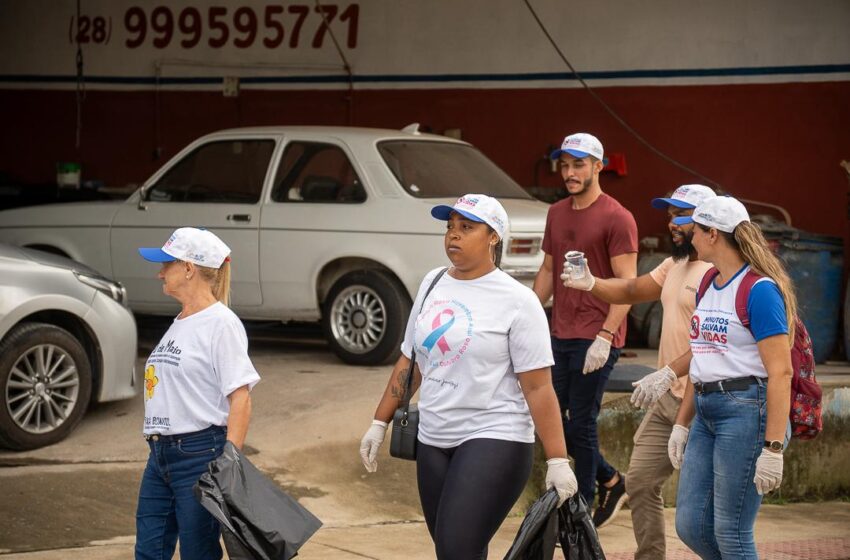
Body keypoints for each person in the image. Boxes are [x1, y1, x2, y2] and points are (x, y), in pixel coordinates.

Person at [359, 194, 578, 560]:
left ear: (493, 236)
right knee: (455, 550)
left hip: (495, 435)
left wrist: (558, 459)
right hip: (433, 436)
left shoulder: (518, 301)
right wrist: (378, 422)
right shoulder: (432, 283)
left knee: (456, 549)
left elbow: (538, 388)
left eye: (466, 227)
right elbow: (410, 361)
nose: (453, 236)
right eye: (449, 227)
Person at [562, 184, 715, 553]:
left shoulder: (717, 274)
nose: (671, 223)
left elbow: (711, 345)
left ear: (706, 220)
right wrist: (592, 283)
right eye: (669, 215)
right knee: (642, 483)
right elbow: (631, 289)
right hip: (667, 401)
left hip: (706, 405)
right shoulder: (673, 265)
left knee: (706, 510)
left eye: (680, 215)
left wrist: (670, 373)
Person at [667, 196, 794, 559]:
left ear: (712, 235)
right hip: (707, 409)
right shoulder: (709, 280)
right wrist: (682, 423)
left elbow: (780, 371)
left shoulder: (759, 290)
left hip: (746, 410)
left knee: (731, 531)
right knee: (690, 525)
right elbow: (704, 358)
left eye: (695, 230)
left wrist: (772, 448)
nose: (688, 237)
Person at [134, 227, 260, 560]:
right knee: (148, 551)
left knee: (198, 553)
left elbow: (241, 397)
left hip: (199, 454)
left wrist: (228, 461)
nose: (160, 271)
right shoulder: (181, 321)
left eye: (167, 264)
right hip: (160, 454)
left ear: (189, 268)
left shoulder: (222, 323)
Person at [532, 133, 638, 528]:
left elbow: (628, 285)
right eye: (565, 164)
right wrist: (526, 315)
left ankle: (582, 513)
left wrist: (606, 336)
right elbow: (547, 270)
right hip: (559, 331)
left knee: (581, 422)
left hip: (597, 333)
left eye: (579, 164)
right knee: (553, 420)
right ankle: (611, 479)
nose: (570, 172)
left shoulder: (617, 217)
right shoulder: (556, 212)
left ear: (598, 166)